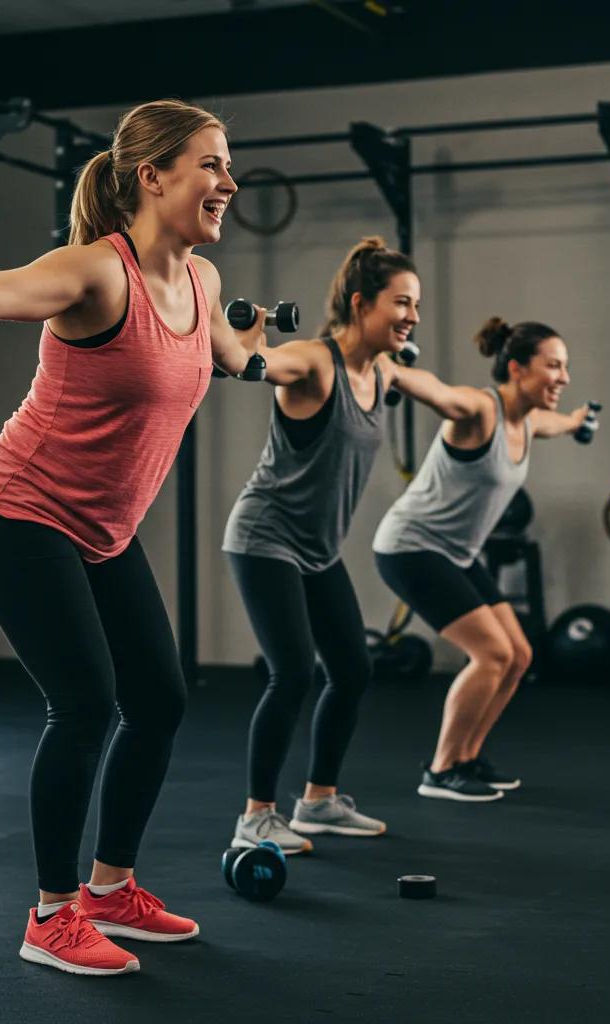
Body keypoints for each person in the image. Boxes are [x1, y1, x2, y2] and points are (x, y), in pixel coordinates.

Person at [0, 98, 286, 977]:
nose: (229, 181)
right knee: (89, 703)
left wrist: (256, 357)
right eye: (212, 164)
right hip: (19, 513)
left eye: (228, 164)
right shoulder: (99, 273)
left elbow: (222, 350)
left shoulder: (204, 282)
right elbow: (3, 291)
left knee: (161, 698)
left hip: (102, 530)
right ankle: (52, 913)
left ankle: (110, 889)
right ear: (153, 176)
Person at [222, 236, 417, 854]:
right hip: (264, 535)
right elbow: (252, 365)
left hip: (317, 548)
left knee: (353, 669)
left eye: (415, 305)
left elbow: (436, 387)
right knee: (292, 672)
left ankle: (319, 801)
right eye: (402, 303)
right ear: (361, 304)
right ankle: (256, 816)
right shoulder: (313, 361)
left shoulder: (382, 371)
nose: (412, 316)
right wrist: (251, 338)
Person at [373, 317, 589, 801]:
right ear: (516, 368)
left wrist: (577, 422)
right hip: (411, 547)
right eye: (553, 366)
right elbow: (440, 393)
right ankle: (441, 769)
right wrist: (390, 370)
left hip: (455, 553)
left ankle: (467, 758)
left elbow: (556, 423)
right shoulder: (479, 411)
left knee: (519, 656)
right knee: (492, 655)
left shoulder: (529, 420)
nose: (564, 377)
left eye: (565, 367)